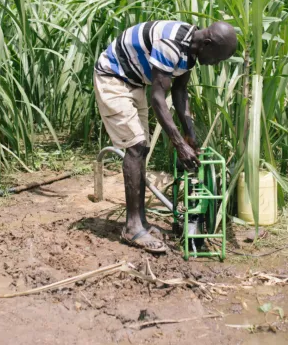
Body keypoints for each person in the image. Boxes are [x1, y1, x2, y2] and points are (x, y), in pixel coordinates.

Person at [94, 20, 237, 253]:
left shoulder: (191, 49)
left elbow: (179, 91)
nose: (215, 64)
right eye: (217, 58)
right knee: (136, 146)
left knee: (142, 148)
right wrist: (179, 144)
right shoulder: (170, 44)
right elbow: (158, 98)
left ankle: (140, 222)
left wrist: (190, 135)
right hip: (113, 78)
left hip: (134, 82)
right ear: (207, 43)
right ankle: (132, 227)